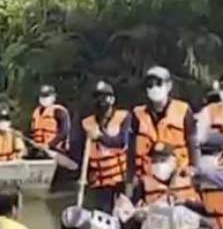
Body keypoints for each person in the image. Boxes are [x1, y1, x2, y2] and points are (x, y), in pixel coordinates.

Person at [128, 66, 198, 183]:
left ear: (169, 85)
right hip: (147, 174)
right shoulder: (137, 114)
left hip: (179, 172)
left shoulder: (183, 110)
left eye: (159, 83)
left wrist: (194, 168)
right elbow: (131, 151)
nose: (154, 88)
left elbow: (193, 142)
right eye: (150, 85)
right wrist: (130, 178)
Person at [76, 81, 131, 212]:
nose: (100, 101)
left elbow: (122, 142)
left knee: (124, 214)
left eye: (104, 97)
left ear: (112, 99)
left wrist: (101, 137)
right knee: (102, 213)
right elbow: (79, 152)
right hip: (99, 182)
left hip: (121, 180)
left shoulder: (124, 117)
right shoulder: (86, 123)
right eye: (97, 97)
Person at [31, 84, 70, 154]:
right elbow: (33, 132)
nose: (44, 99)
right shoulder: (36, 112)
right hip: (39, 150)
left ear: (53, 98)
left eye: (47, 96)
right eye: (42, 96)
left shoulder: (58, 111)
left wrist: (49, 145)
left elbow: (64, 132)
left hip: (56, 150)